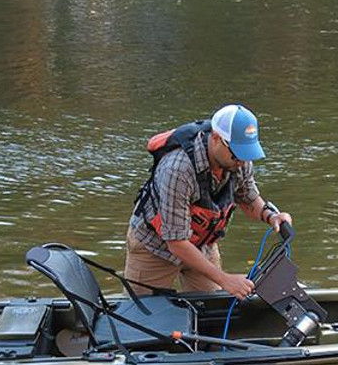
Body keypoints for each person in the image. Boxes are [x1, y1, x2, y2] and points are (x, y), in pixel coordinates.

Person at [124, 104, 292, 300]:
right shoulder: (178, 169)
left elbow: (248, 197)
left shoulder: (240, 160)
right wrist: (225, 279)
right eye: (237, 153)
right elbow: (176, 242)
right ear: (215, 138)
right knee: (142, 316)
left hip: (201, 245)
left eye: (246, 153)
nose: (242, 161)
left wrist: (271, 216)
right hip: (155, 248)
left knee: (211, 310)